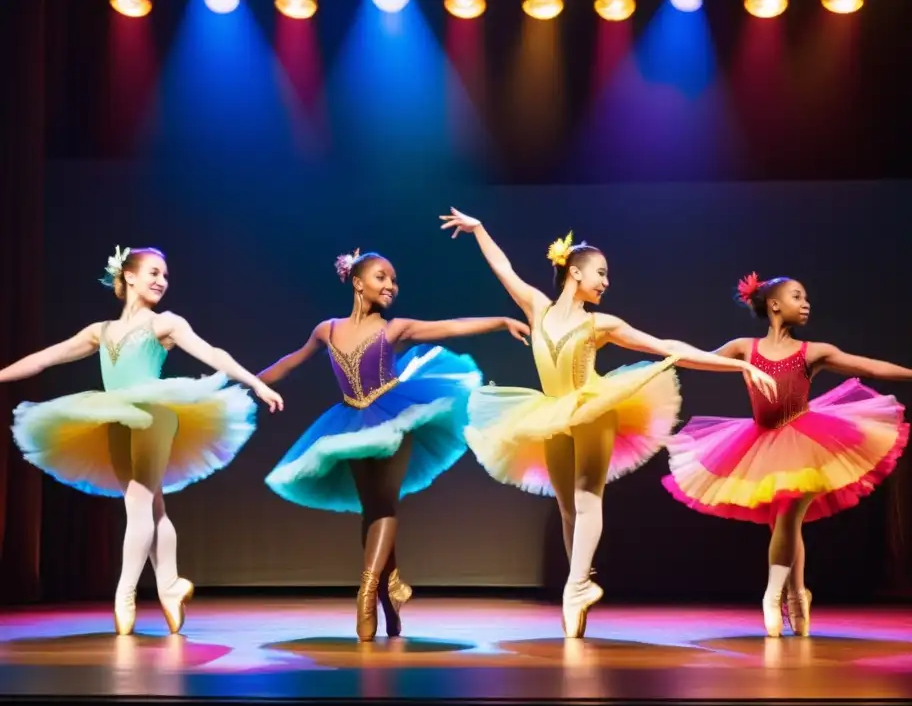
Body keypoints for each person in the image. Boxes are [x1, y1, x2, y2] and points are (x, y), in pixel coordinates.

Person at [438, 209, 779, 638]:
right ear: (574, 273)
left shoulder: (601, 324)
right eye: (600, 273)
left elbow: (666, 347)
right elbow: (503, 267)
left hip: (594, 407)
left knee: (585, 497)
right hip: (548, 411)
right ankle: (578, 585)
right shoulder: (537, 306)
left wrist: (739, 368)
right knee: (566, 507)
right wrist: (480, 229)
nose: (606, 281)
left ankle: (576, 584)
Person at [2, 246, 283, 636]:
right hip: (113, 415)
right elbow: (46, 357)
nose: (161, 281)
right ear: (128, 276)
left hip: (154, 414)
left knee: (138, 501)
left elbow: (212, 353)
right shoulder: (100, 331)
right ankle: (168, 585)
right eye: (153, 272)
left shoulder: (164, 324)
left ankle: (125, 592)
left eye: (165, 276)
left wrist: (255, 383)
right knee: (153, 506)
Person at [661, 272, 912, 637]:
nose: (806, 304)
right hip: (758, 443)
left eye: (806, 298)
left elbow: (867, 365)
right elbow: (701, 360)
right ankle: (798, 593)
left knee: (787, 517)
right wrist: (663, 354)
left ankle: (772, 596)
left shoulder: (813, 352)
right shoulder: (744, 347)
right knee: (784, 525)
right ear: (774, 305)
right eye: (797, 296)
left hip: (805, 440)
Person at [258, 249, 530, 642]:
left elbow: (452, 326)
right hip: (350, 421)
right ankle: (391, 593)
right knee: (370, 511)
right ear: (358, 282)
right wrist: (250, 381)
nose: (391, 286)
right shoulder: (327, 330)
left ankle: (366, 593)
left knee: (383, 504)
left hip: (395, 418)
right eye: (382, 277)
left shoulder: (394, 329)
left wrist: (502, 321)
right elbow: (291, 361)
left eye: (394, 281)